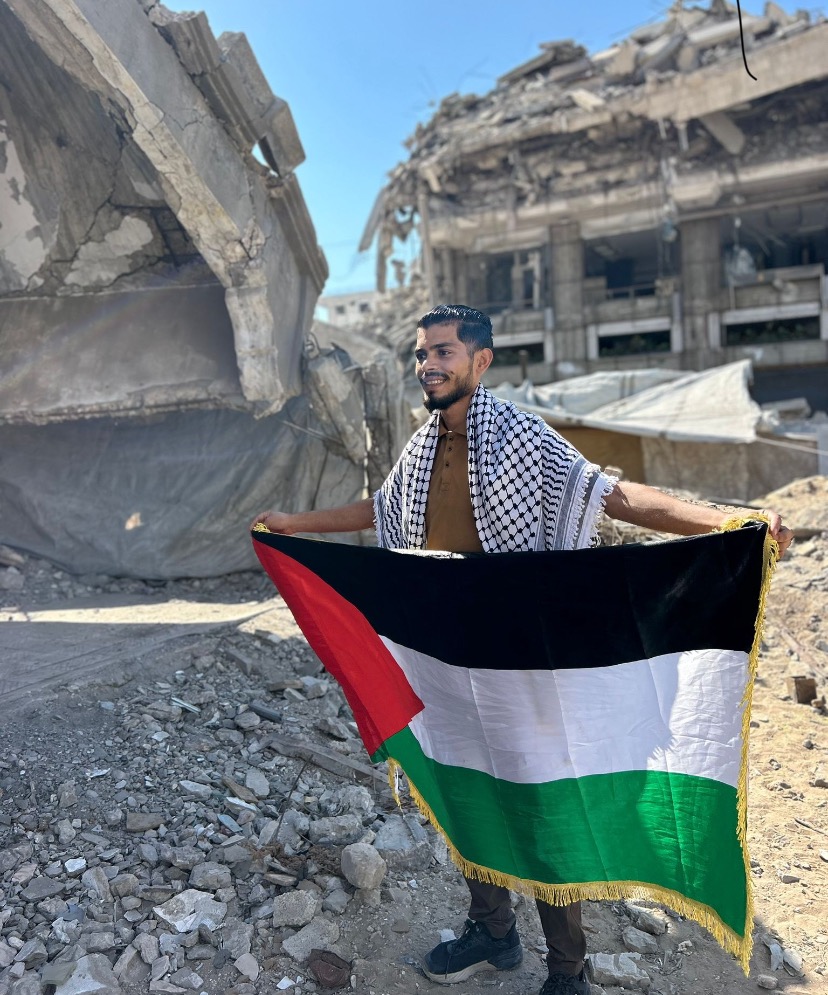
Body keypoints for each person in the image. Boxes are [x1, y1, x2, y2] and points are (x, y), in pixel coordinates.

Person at [253, 304, 792, 995]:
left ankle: (568, 969)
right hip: (446, 652)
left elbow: (610, 494)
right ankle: (493, 932)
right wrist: (294, 524)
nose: (428, 365)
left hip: (521, 654)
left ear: (481, 361)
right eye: (421, 354)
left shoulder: (520, 434)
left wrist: (724, 521)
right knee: (465, 789)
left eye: (443, 351)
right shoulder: (422, 447)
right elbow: (380, 510)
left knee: (538, 802)